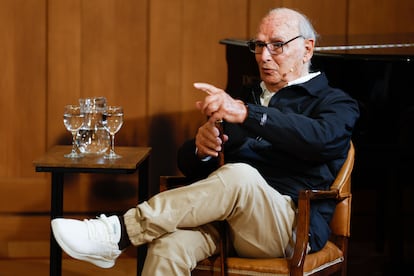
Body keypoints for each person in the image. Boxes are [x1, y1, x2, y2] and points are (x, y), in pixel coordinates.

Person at [51, 7, 360, 275]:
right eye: (259, 45)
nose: (264, 56)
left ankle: (118, 232)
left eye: (277, 45)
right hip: (227, 222)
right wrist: (201, 148)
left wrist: (247, 114)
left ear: (307, 49)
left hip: (289, 226)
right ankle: (119, 235)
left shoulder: (335, 103)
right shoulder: (247, 100)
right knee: (167, 246)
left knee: (241, 176)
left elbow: (322, 140)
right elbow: (192, 169)